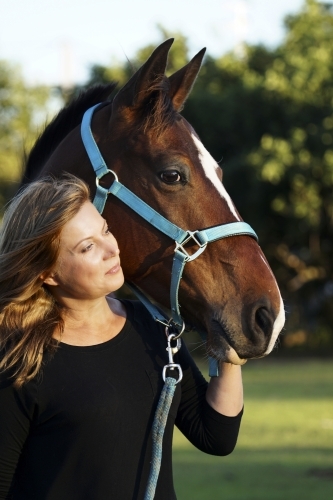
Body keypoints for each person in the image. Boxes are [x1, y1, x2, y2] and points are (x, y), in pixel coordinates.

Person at [0, 175, 244, 500]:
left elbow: (215, 436)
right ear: (47, 272)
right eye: (87, 247)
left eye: (105, 230)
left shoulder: (152, 326)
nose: (111, 249)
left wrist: (229, 360)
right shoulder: (18, 360)